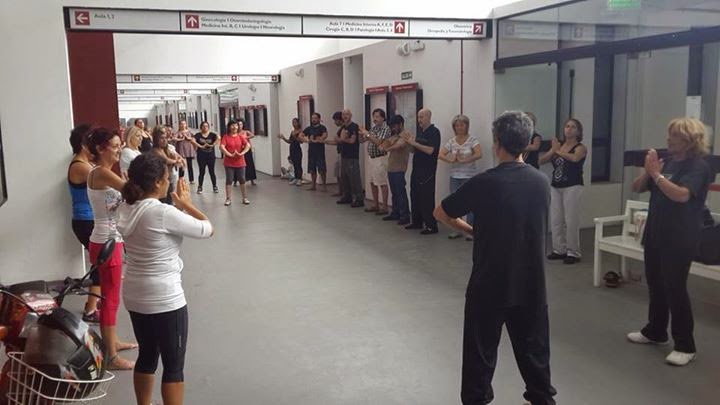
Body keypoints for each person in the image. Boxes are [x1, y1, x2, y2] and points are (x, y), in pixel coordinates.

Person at [434, 111, 556, 405]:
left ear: (497, 142)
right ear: (527, 143)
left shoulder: (485, 182)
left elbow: (441, 212)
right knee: (535, 355)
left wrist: (473, 231)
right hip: (530, 283)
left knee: (480, 355)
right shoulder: (540, 182)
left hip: (490, 282)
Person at [118, 153, 213, 405]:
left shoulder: (127, 207)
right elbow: (207, 228)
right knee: (173, 366)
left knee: (147, 355)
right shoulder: (162, 213)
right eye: (167, 177)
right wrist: (187, 204)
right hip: (164, 298)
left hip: (135, 294)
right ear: (159, 182)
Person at [627, 118, 712, 367]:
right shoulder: (670, 162)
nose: (668, 140)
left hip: (680, 236)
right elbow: (636, 187)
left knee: (675, 287)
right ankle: (655, 330)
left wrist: (656, 174)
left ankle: (686, 345)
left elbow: (682, 195)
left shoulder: (699, 167)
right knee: (655, 283)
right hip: (655, 233)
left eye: (673, 135)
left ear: (688, 140)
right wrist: (648, 171)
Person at [86, 127, 137, 371]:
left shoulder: (101, 173)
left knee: (110, 297)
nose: (119, 150)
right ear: (100, 149)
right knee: (110, 299)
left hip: (107, 240)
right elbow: (130, 192)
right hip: (107, 242)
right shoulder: (102, 174)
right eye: (115, 146)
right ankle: (112, 357)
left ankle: (112, 340)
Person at [539, 119, 587, 264]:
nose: (569, 129)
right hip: (556, 185)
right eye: (567, 126)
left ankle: (573, 252)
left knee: (571, 220)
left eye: (573, 127)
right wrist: (553, 150)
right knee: (556, 219)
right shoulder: (559, 146)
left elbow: (575, 158)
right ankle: (559, 249)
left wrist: (557, 151)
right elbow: (541, 161)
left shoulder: (580, 147)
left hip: (573, 185)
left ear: (578, 131)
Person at [67, 124, 101, 323]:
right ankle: (90, 310)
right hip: (85, 221)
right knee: (100, 265)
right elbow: (104, 179)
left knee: (100, 263)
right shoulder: (80, 165)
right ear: (84, 144)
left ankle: (95, 303)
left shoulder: (84, 162)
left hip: (89, 220)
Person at [438, 114, 483, 240]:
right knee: (455, 203)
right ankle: (457, 229)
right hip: (455, 176)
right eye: (457, 125)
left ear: (467, 126)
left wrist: (466, 160)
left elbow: (479, 154)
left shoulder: (472, 140)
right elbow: (441, 154)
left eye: (462, 125)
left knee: (470, 203)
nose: (459, 127)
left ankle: (469, 230)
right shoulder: (451, 141)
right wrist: (450, 159)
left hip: (469, 176)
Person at [403, 108, 441, 235]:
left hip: (427, 172)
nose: (419, 120)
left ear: (429, 117)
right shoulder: (420, 132)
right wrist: (408, 143)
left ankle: (431, 225)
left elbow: (430, 150)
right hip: (417, 169)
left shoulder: (434, 132)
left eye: (422, 117)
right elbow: (415, 150)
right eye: (418, 117)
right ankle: (417, 222)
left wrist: (414, 142)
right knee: (415, 195)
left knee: (426, 198)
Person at [380, 115, 411, 225]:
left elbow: (399, 145)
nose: (393, 128)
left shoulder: (406, 135)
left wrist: (388, 148)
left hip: (399, 169)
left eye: (394, 126)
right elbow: (384, 144)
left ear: (401, 124)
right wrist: (387, 144)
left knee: (400, 192)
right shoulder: (394, 135)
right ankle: (395, 212)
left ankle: (404, 215)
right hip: (391, 168)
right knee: (394, 193)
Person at [359, 108, 391, 215]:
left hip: (380, 158)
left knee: (381, 182)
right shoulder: (374, 129)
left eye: (377, 116)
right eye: (374, 116)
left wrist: (367, 134)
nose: (375, 119)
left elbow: (379, 142)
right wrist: (361, 133)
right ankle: (376, 204)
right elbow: (363, 140)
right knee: (372, 182)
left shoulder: (385, 129)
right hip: (371, 158)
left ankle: (385, 206)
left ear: (383, 118)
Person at [220, 120, 251, 206]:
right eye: (232, 126)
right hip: (229, 162)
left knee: (242, 179)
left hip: (240, 161)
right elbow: (222, 147)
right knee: (229, 179)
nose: (235, 127)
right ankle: (228, 198)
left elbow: (248, 145)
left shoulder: (241, 137)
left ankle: (245, 197)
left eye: (236, 126)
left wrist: (241, 153)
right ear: (229, 127)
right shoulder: (226, 137)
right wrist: (229, 154)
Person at [337, 109, 364, 207]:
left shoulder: (354, 126)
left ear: (351, 115)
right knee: (345, 177)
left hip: (352, 156)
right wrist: (342, 138)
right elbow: (336, 137)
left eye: (347, 114)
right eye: (343, 114)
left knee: (354, 178)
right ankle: (347, 196)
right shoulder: (343, 127)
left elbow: (353, 140)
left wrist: (343, 139)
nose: (345, 116)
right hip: (344, 155)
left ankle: (359, 199)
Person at [151, 126, 184, 205]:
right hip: (162, 179)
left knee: (170, 199)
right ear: (156, 139)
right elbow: (166, 160)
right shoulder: (155, 150)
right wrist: (176, 161)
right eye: (161, 138)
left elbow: (174, 155)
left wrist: (178, 159)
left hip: (169, 177)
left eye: (165, 138)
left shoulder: (165, 149)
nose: (164, 140)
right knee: (165, 201)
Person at [302, 113, 329, 191]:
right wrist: (306, 140)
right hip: (311, 151)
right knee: (312, 169)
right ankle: (313, 185)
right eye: (312, 118)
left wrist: (319, 139)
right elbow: (301, 135)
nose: (313, 120)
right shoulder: (309, 128)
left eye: (315, 118)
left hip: (320, 151)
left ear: (319, 119)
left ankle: (324, 185)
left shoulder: (322, 128)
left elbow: (325, 135)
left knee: (322, 169)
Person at [278, 118, 305, 187]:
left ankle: (299, 178)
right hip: (292, 149)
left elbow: (301, 141)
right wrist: (283, 138)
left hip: (297, 149)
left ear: (298, 123)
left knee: (298, 164)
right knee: (294, 164)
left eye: (295, 122)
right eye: (293, 122)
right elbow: (290, 141)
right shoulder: (292, 131)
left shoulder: (301, 131)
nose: (294, 124)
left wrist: (295, 136)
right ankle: (296, 178)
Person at [194, 121, 219, 194]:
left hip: (210, 156)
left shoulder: (212, 135)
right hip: (201, 156)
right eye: (203, 126)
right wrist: (200, 146)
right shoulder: (198, 135)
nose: (205, 127)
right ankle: (200, 187)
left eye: (206, 126)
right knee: (202, 171)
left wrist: (213, 144)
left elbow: (219, 138)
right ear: (201, 127)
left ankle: (214, 186)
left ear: (208, 127)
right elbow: (192, 140)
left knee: (212, 171)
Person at [325, 111, 345, 197]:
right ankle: (341, 191)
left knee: (342, 174)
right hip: (339, 152)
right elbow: (337, 142)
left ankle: (344, 192)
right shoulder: (340, 129)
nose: (335, 122)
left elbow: (341, 141)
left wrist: (332, 141)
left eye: (335, 120)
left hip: (343, 154)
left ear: (339, 120)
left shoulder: (344, 129)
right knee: (338, 173)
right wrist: (327, 142)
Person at [174, 119, 197, 184]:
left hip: (189, 149)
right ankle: (181, 178)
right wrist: (180, 139)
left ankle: (191, 179)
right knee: (182, 165)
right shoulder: (178, 132)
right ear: (179, 125)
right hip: (181, 150)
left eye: (184, 124)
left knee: (190, 165)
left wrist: (187, 137)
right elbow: (174, 138)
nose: (183, 125)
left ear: (186, 124)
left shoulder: (189, 132)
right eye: (181, 124)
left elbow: (193, 138)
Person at [237, 118, 258, 186]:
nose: (240, 126)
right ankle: (236, 180)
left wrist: (246, 138)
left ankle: (252, 179)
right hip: (240, 150)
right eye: (238, 124)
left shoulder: (246, 132)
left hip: (247, 150)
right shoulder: (236, 133)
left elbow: (252, 135)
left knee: (249, 164)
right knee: (238, 165)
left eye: (241, 124)